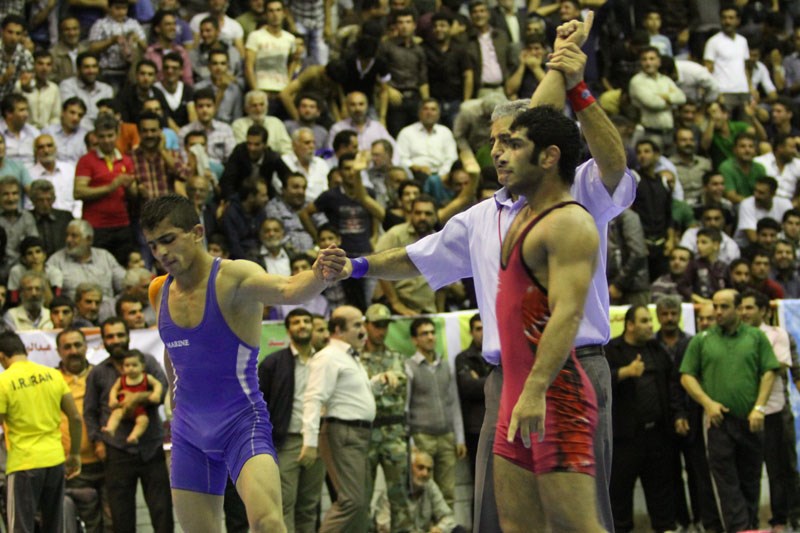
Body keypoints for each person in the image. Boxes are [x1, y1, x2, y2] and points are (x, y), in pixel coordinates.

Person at [320, 13, 632, 532]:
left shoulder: (574, 196)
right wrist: (357, 264)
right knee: (502, 519)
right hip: (505, 375)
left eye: (510, 142)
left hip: (571, 366)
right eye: (494, 142)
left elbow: (611, 164)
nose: (497, 152)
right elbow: (418, 256)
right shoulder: (483, 216)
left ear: (543, 152)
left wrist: (573, 81)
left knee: (579, 518)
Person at [143, 193, 345, 533]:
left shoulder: (234, 278)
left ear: (197, 232)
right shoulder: (159, 291)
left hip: (241, 422)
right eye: (153, 245)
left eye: (168, 239)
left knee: (268, 523)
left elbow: (287, 289)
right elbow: (174, 349)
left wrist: (320, 274)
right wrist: (174, 404)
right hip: (189, 431)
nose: (161, 252)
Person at [680, 289, 780, 532]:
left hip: (751, 421)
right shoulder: (702, 340)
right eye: (715, 306)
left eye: (724, 306)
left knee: (751, 481)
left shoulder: (756, 337)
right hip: (719, 422)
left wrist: (759, 407)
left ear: (738, 308)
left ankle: (749, 527)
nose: (718, 312)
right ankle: (740, 529)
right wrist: (707, 403)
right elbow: (686, 376)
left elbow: (769, 371)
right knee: (726, 483)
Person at [83, 318, 173, 533]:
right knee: (121, 516)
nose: (116, 340)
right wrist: (98, 442)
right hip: (116, 451)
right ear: (103, 341)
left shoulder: (147, 362)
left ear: (128, 336)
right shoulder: (98, 372)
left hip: (151, 448)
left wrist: (137, 397)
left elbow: (162, 392)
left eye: (120, 335)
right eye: (110, 336)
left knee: (162, 511)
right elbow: (90, 411)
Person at [299, 305, 375, 532]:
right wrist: (309, 442)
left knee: (362, 503)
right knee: (351, 501)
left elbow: (350, 396)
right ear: (339, 330)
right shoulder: (329, 357)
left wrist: (378, 383)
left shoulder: (348, 357)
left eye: (363, 324)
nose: (364, 330)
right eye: (357, 325)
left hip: (357, 433)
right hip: (343, 433)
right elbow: (313, 398)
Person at [0, 330, 82, 532]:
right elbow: (75, 417)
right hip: (55, 460)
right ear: (25, 350)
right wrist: (75, 454)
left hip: (24, 463)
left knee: (20, 528)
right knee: (55, 526)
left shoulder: (4, 382)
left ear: (2, 356)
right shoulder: (53, 375)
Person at [257, 308, 324, 533]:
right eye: (296, 322)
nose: (302, 325)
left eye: (306, 321)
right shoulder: (273, 363)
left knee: (310, 506)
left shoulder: (324, 361)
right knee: (284, 504)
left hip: (317, 440)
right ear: (288, 330)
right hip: (287, 442)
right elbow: (260, 403)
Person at [102, 350, 163, 444]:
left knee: (143, 420)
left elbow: (158, 384)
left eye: (134, 365)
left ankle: (134, 436)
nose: (130, 368)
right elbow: (114, 389)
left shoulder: (146, 377)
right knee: (116, 414)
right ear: (122, 368)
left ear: (142, 366)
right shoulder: (121, 380)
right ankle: (111, 428)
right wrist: (112, 399)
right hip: (123, 407)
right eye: (127, 365)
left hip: (139, 409)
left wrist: (156, 394)